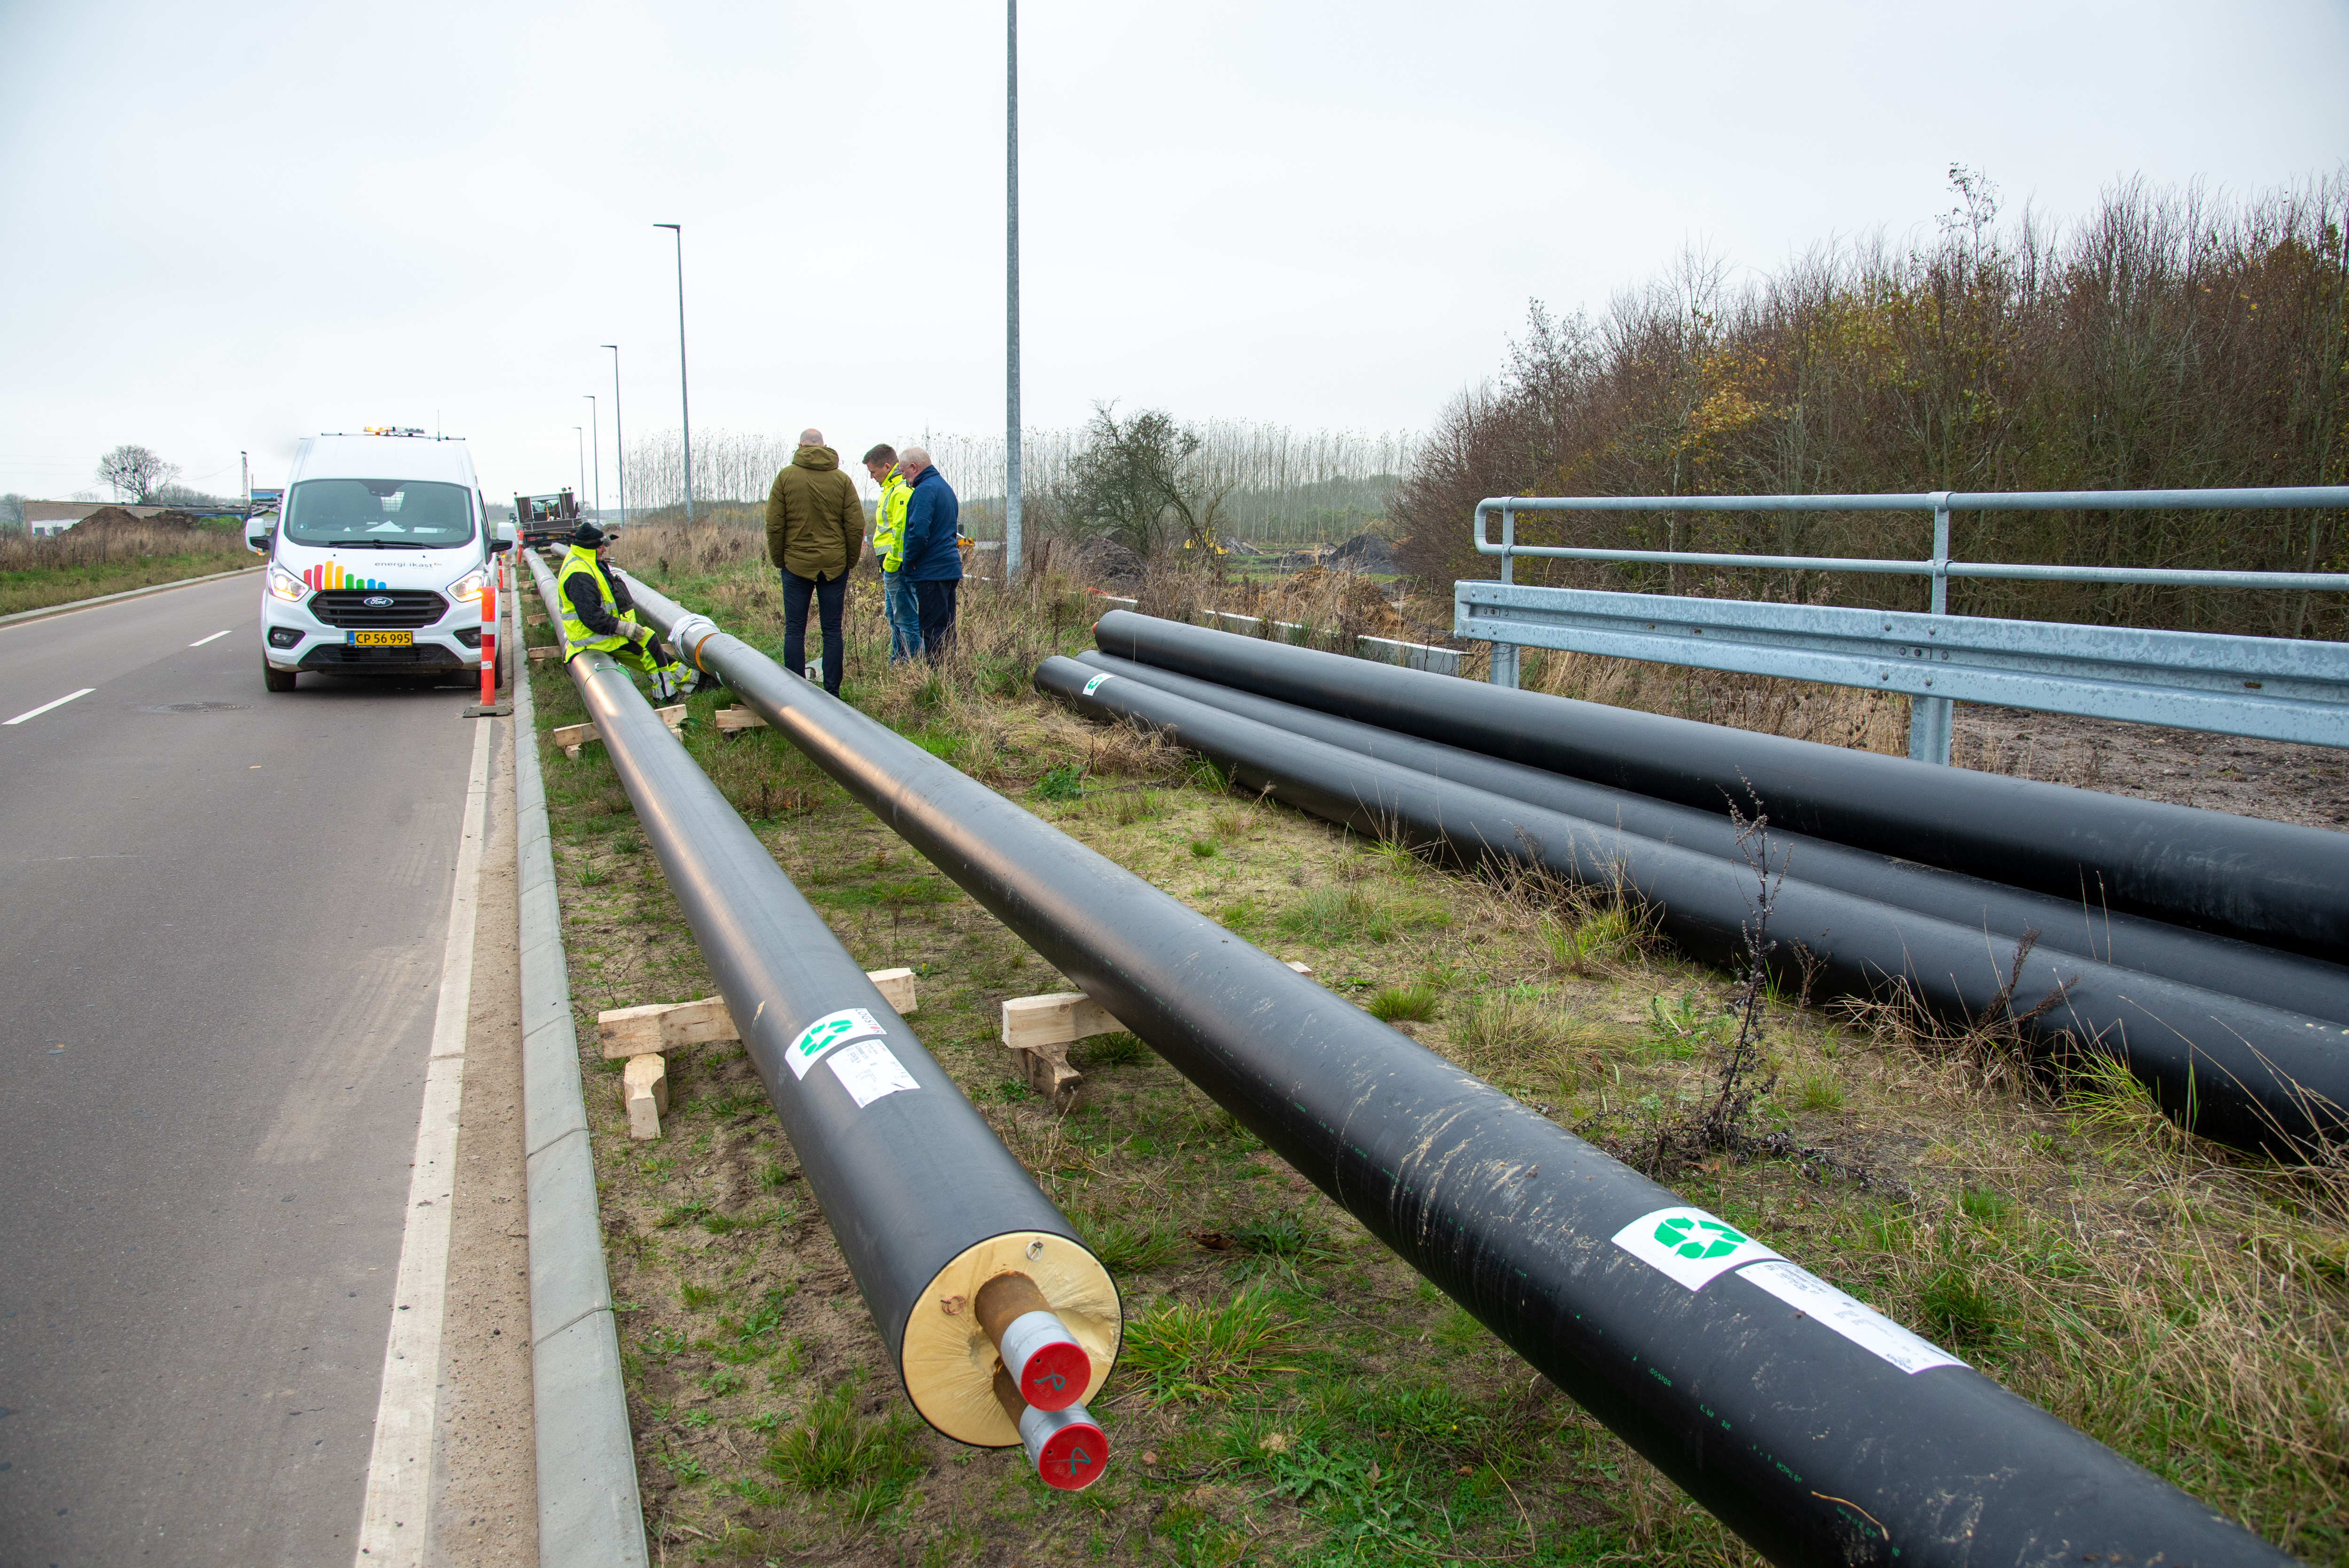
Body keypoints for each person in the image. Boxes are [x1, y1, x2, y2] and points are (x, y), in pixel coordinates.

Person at [765, 427, 865, 695]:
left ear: (800, 446)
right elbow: (856, 526)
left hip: (795, 564)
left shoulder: (786, 477)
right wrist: (849, 561)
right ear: (823, 446)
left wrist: (780, 561)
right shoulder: (842, 480)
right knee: (832, 630)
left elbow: (774, 525)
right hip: (834, 565)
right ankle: (833, 694)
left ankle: (797, 695)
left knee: (795, 629)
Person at [556, 521, 699, 698]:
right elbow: (592, 617)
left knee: (654, 651)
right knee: (650, 643)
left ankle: (696, 682)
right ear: (591, 548)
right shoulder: (579, 574)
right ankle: (666, 697)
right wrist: (624, 628)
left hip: (597, 634)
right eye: (601, 546)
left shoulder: (587, 563)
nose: (605, 550)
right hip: (592, 639)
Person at [895, 446, 961, 662]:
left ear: (914, 468)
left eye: (904, 472)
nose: (905, 478)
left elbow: (918, 533)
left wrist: (909, 562)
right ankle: (947, 677)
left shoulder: (924, 490)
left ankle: (935, 682)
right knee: (946, 628)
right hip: (948, 569)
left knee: (932, 630)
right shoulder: (944, 488)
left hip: (932, 572)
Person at [863, 443, 919, 663]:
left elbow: (901, 532)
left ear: (887, 467)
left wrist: (893, 563)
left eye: (873, 472)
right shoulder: (890, 491)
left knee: (906, 619)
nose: (871, 478)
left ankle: (913, 666)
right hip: (890, 567)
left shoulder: (901, 491)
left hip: (896, 567)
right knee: (894, 617)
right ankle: (898, 661)